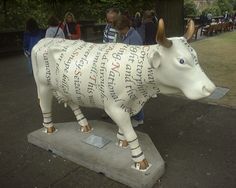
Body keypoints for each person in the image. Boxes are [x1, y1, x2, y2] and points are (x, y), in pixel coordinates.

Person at [113, 15, 144, 127]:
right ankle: (134, 116)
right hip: (127, 71)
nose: (119, 32)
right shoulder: (127, 35)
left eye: (120, 30)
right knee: (130, 96)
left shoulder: (134, 37)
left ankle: (139, 118)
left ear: (126, 27)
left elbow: (135, 58)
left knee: (133, 97)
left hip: (132, 72)